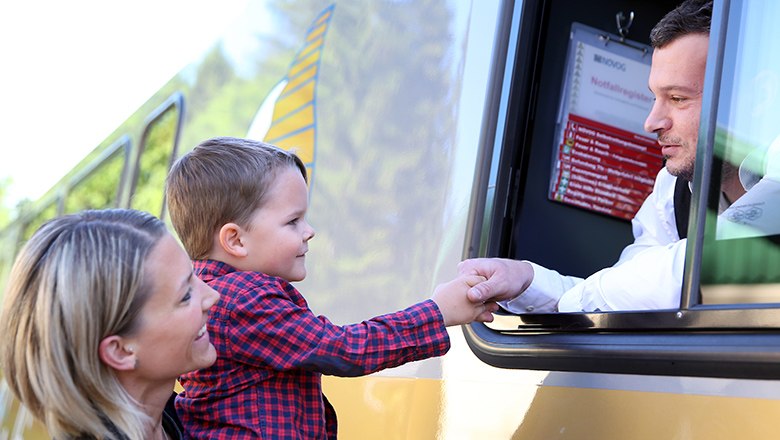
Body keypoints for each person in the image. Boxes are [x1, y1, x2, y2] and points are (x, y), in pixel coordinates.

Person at [164, 136, 497, 439]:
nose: (309, 231)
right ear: (235, 240)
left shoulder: (208, 293)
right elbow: (344, 350)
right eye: (293, 221)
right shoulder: (243, 298)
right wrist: (437, 312)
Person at [458, 0, 729, 312]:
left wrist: (569, 300)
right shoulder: (673, 188)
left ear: (744, 99)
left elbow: (700, 267)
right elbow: (629, 288)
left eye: (678, 98)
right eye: (655, 97)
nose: (651, 122)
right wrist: (528, 279)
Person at [0, 209, 220, 439]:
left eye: (196, 275)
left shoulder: (184, 418)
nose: (212, 295)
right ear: (121, 351)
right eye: (185, 295)